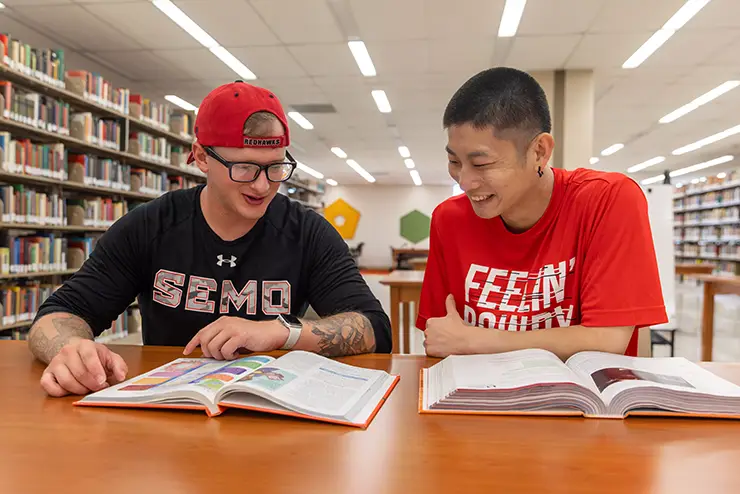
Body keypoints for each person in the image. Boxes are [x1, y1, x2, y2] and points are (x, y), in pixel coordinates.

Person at [29, 80, 392, 397]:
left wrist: (281, 332)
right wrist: (71, 348)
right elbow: (58, 315)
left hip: (268, 410)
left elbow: (373, 327)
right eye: (245, 167)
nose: (263, 186)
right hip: (167, 411)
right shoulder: (150, 225)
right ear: (202, 157)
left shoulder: (307, 231)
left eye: (276, 167)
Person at [418, 67, 667, 359]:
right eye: (454, 161)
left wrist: (476, 341)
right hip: (481, 396)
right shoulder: (449, 219)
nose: (465, 182)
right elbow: (440, 334)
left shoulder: (607, 199)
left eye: (481, 163)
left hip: (583, 400)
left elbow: (607, 339)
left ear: (539, 151)